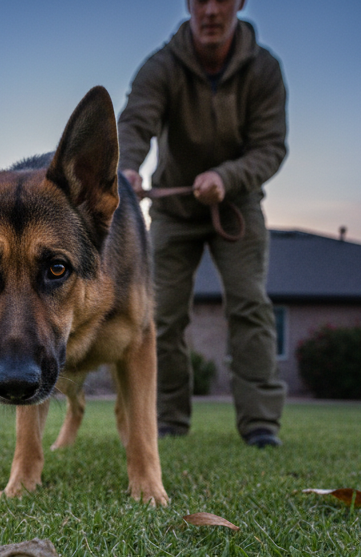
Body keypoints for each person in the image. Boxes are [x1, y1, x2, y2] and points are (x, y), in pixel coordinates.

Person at [118, 0, 288, 447]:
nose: (211, 10)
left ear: (240, 4)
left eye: (222, 0)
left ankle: (260, 424)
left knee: (250, 304)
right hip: (174, 209)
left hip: (237, 204)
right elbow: (136, 122)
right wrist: (127, 170)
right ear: (189, 5)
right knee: (160, 313)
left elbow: (271, 147)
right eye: (201, 0)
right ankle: (168, 419)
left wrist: (227, 178)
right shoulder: (162, 65)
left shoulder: (264, 69)